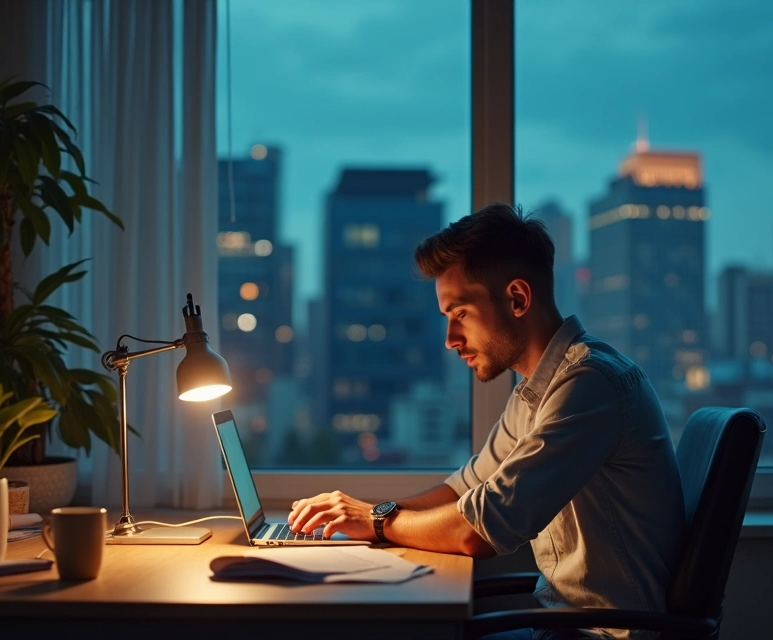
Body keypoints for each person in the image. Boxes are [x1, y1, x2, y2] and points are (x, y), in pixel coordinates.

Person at [288, 203, 686, 640]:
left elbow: (479, 530)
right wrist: (368, 520)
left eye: (459, 314)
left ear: (517, 298)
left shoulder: (591, 385)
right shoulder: (537, 389)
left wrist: (378, 521)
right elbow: (464, 488)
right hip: (561, 628)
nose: (450, 340)